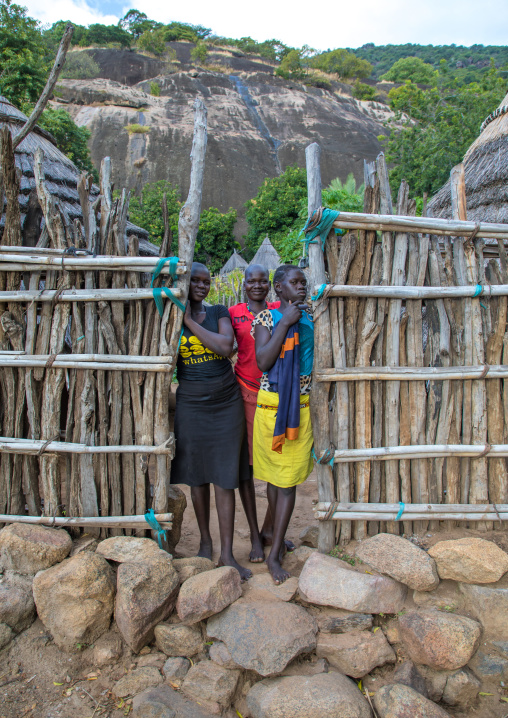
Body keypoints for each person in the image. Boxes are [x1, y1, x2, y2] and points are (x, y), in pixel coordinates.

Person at [170, 262, 251, 581]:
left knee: (225, 475)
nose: (202, 286)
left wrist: (190, 320)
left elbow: (225, 348)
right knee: (197, 476)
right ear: (185, 283)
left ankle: (228, 553)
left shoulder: (219, 311)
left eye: (206, 281)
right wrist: (182, 318)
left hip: (225, 401)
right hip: (190, 402)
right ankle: (205, 543)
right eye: (195, 281)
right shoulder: (170, 320)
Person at [252, 265, 314, 584]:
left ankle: (273, 544)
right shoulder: (265, 319)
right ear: (279, 289)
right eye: (294, 282)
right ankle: (274, 551)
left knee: (286, 481)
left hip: (299, 409)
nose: (301, 287)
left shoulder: (313, 318)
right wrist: (286, 321)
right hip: (271, 407)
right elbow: (263, 361)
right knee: (277, 481)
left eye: (303, 282)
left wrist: (297, 319)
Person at [228, 264, 281, 562]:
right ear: (245, 284)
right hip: (244, 394)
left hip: (275, 396)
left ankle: (270, 528)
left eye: (263, 281)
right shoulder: (233, 313)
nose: (258, 285)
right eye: (252, 281)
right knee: (246, 468)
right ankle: (254, 535)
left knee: (278, 463)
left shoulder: (278, 309)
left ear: (270, 284)